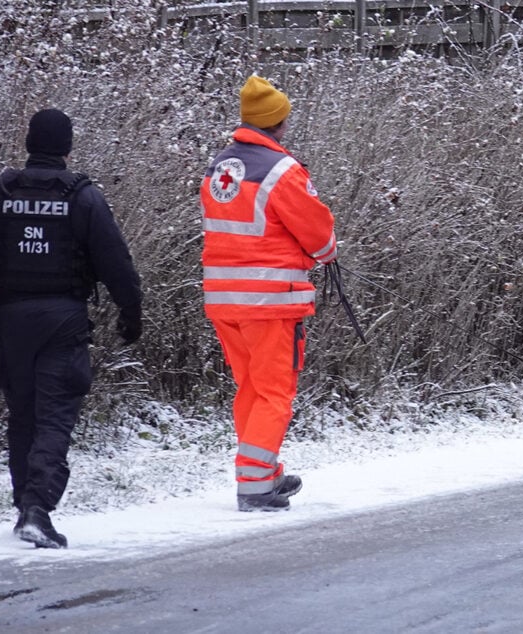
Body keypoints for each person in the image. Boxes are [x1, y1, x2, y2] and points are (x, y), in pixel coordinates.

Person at [0, 108, 143, 548]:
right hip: (62, 322)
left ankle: (24, 504)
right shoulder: (83, 198)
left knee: (23, 415)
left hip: (11, 324)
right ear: (66, 148)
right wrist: (130, 312)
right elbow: (115, 261)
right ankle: (37, 508)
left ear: (29, 144)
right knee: (55, 417)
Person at [199, 75, 337, 511]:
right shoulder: (282, 171)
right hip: (271, 301)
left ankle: (264, 471)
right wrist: (328, 254)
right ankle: (256, 485)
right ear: (278, 121)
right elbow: (317, 233)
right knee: (276, 392)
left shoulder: (219, 167)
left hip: (223, 299)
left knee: (251, 389)